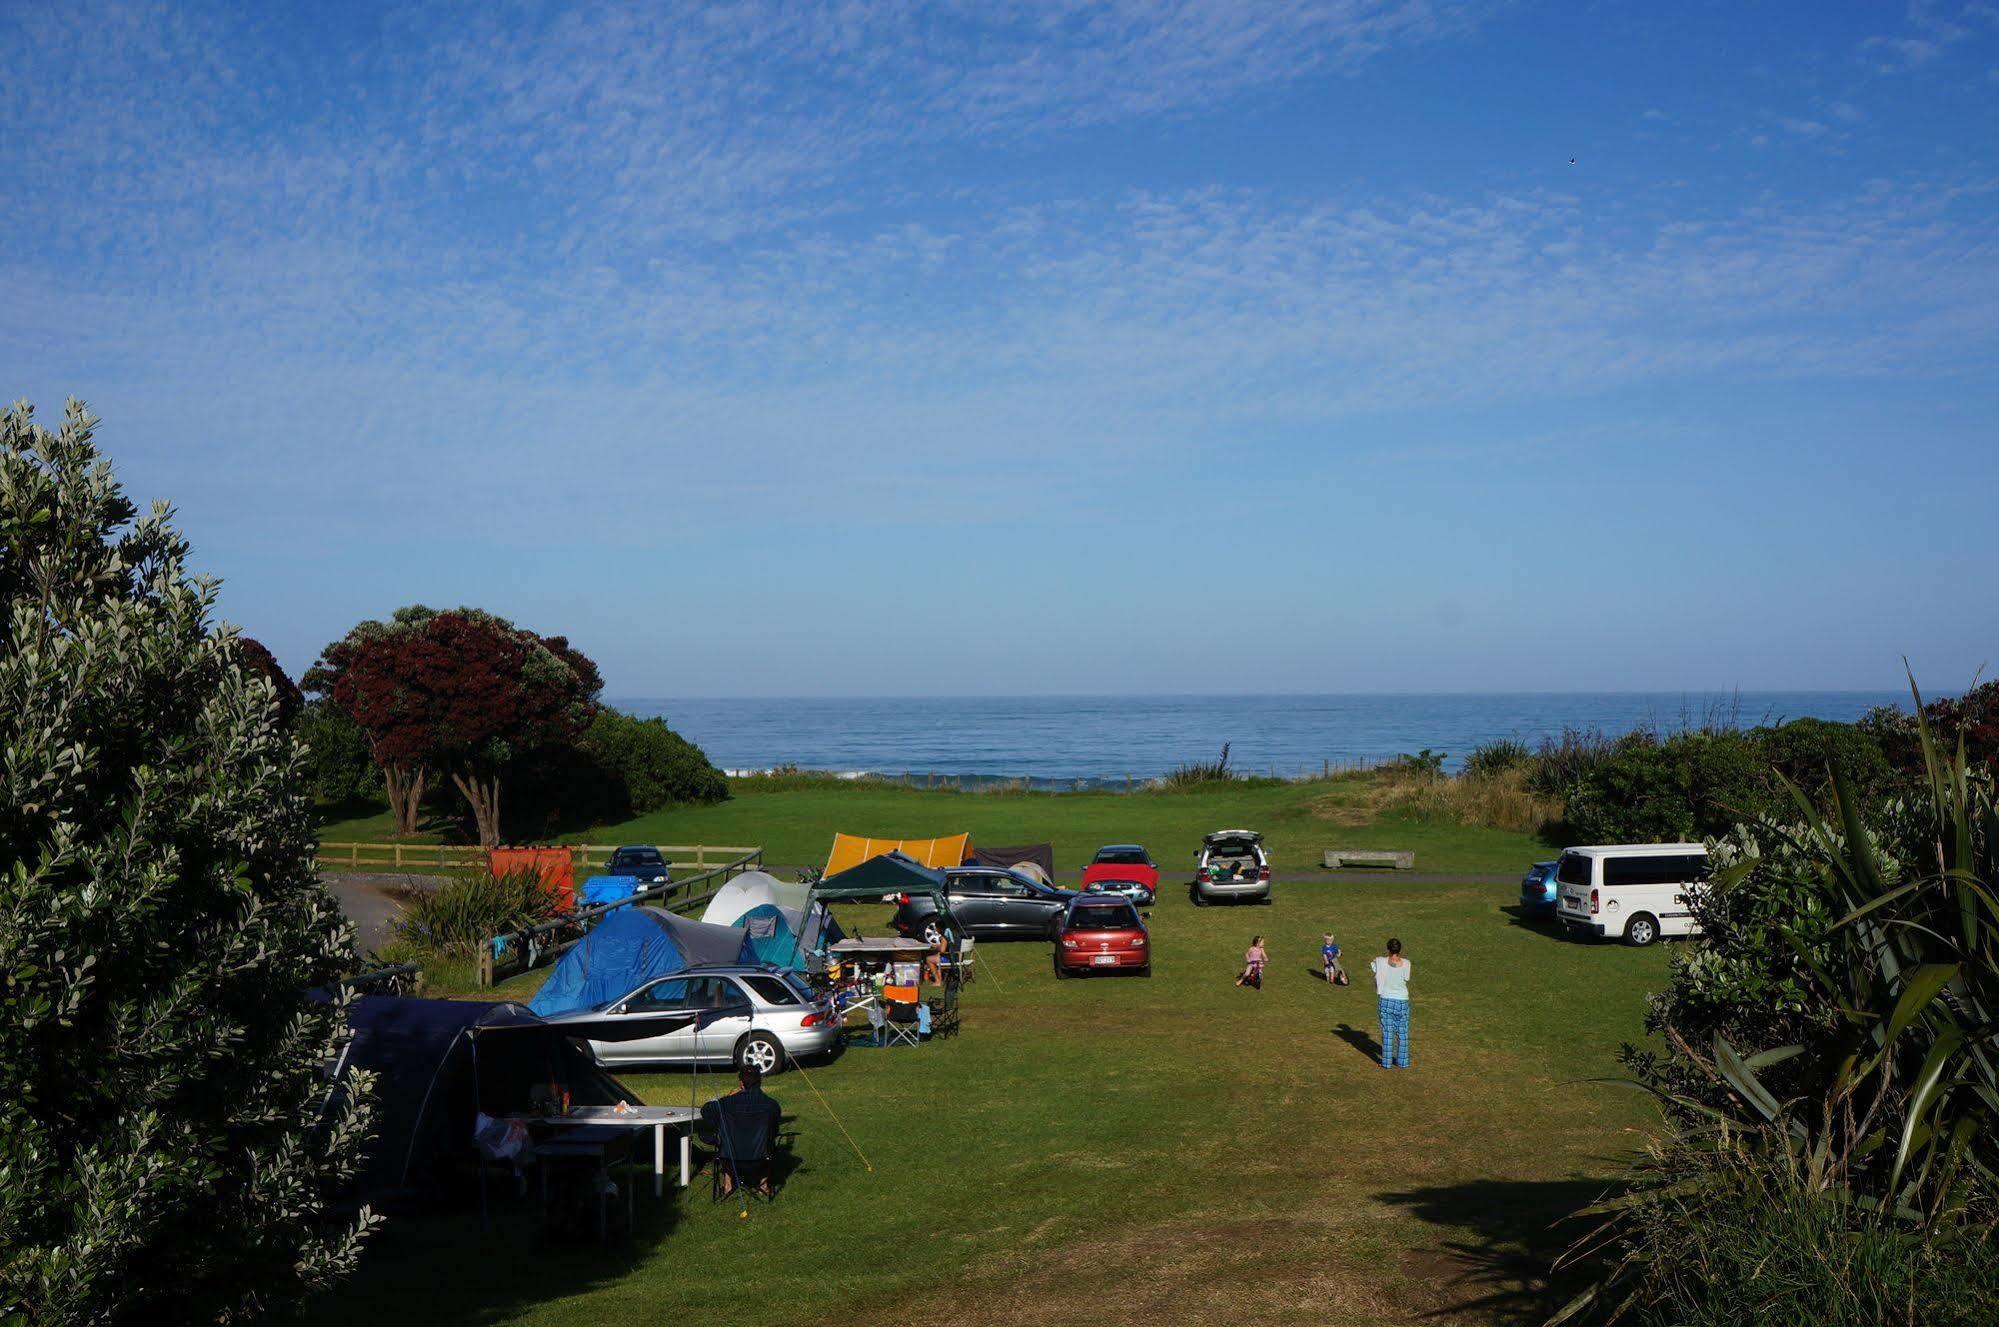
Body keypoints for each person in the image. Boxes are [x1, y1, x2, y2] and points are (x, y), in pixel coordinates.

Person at [700, 1064, 784, 1197]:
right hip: (761, 1160)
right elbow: (774, 1131)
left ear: (741, 1083)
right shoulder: (771, 1105)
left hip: (730, 1160)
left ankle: (728, 1185)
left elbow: (705, 1110)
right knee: (768, 1141)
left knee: (725, 1139)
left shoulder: (726, 1103)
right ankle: (764, 1185)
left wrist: (726, 1096)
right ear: (760, 1082)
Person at [1370, 938, 1412, 1068]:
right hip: (1402, 1001)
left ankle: (1386, 1062)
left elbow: (1373, 965)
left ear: (1388, 949)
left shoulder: (1380, 961)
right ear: (1400, 949)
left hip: (1386, 999)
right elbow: (1407, 977)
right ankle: (1403, 1062)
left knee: (1387, 1033)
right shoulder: (1406, 963)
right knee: (1402, 1033)